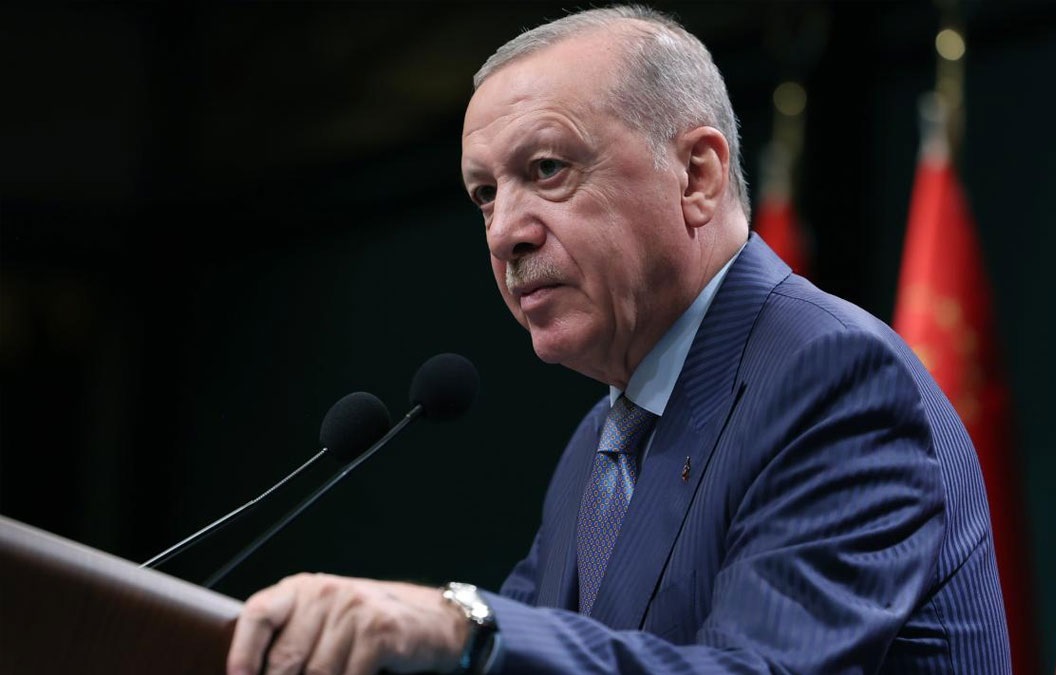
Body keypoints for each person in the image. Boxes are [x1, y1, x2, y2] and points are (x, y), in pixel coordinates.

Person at [227, 6, 1012, 674]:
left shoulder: (833, 381)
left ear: (697, 176)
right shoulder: (596, 451)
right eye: (485, 194)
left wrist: (459, 625)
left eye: (547, 168)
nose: (503, 233)